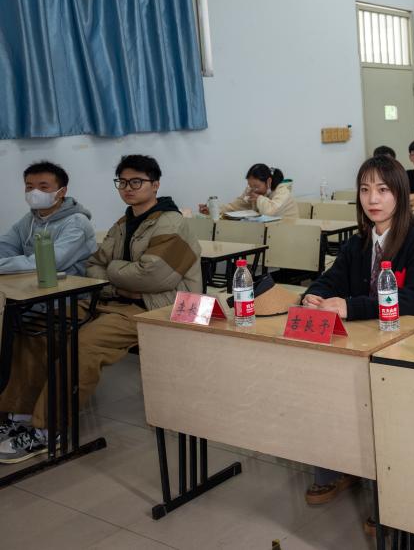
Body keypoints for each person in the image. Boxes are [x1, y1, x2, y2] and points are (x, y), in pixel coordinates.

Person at [0, 154, 201, 464]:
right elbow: (94, 266)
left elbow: (153, 275)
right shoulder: (124, 223)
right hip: (114, 300)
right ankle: (21, 413)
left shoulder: (172, 222)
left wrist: (113, 273)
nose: (128, 188)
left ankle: (48, 428)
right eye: (123, 182)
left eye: (137, 182)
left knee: (83, 346)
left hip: (158, 308)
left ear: (155, 185)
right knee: (38, 323)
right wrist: (118, 282)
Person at [301, 155, 414, 503]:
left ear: (400, 194)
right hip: (365, 338)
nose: (373, 199)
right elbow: (329, 279)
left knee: (387, 406)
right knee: (325, 383)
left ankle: (391, 495)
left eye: (382, 190)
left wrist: (350, 307)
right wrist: (313, 296)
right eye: (365, 190)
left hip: (410, 341)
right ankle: (341, 466)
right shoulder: (359, 242)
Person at [0, 161, 96, 275]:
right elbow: (5, 247)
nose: (34, 192)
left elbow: (48, 262)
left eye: (43, 187)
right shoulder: (29, 219)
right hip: (33, 280)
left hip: (72, 283)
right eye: (29, 187)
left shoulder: (77, 223)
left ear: (62, 192)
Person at [201, 164, 297, 218]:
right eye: (250, 186)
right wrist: (213, 210)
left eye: (256, 186)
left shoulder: (282, 191)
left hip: (288, 231)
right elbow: (235, 206)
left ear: (268, 181)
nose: (253, 190)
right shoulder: (251, 190)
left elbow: (271, 211)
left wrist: (259, 199)